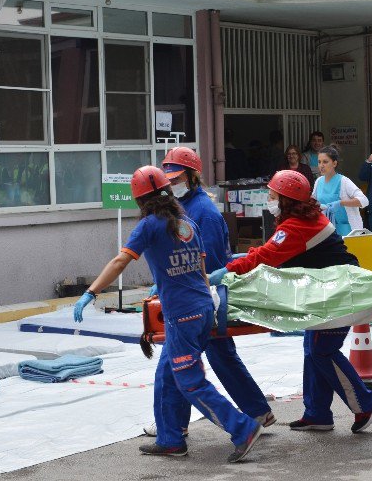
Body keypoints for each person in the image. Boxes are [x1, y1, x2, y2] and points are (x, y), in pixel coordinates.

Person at [71, 166, 263, 463]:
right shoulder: (187, 224)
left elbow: (121, 260)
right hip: (200, 309)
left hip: (182, 316)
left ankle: (242, 428)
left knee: (190, 382)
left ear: (140, 200)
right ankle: (170, 439)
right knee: (166, 376)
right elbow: (201, 270)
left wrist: (91, 292)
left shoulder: (149, 225)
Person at [208, 170, 372, 434]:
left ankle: (365, 404)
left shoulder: (296, 227)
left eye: (272, 195)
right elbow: (270, 250)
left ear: (286, 199)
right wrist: (245, 257)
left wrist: (227, 270)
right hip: (328, 292)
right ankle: (318, 414)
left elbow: (267, 256)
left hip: (337, 294)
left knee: (322, 351)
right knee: (313, 348)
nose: (268, 199)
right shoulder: (300, 220)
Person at [138, 147, 274, 439]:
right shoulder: (181, 208)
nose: (171, 185)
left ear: (191, 176)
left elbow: (207, 264)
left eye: (175, 179)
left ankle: (173, 430)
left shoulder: (204, 213)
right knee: (221, 357)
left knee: (172, 369)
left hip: (198, 298)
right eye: (168, 180)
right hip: (198, 297)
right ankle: (257, 412)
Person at [313, 146, 367, 236]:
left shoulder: (344, 181)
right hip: (325, 229)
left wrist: (341, 203)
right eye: (319, 162)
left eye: (325, 162)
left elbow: (364, 200)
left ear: (334, 163)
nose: (321, 165)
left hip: (345, 230)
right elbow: (313, 201)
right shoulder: (318, 181)